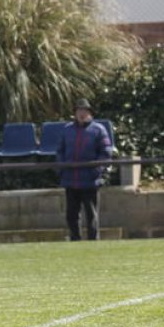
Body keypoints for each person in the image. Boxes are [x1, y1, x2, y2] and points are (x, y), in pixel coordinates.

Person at [55, 99, 113, 241]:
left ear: (90, 113)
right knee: (71, 215)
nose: (81, 113)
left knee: (91, 214)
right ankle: (75, 240)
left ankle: (93, 241)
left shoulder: (98, 130)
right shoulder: (67, 130)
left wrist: (97, 170)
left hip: (90, 180)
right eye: (79, 111)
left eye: (85, 111)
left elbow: (106, 153)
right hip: (70, 179)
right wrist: (62, 168)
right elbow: (60, 151)